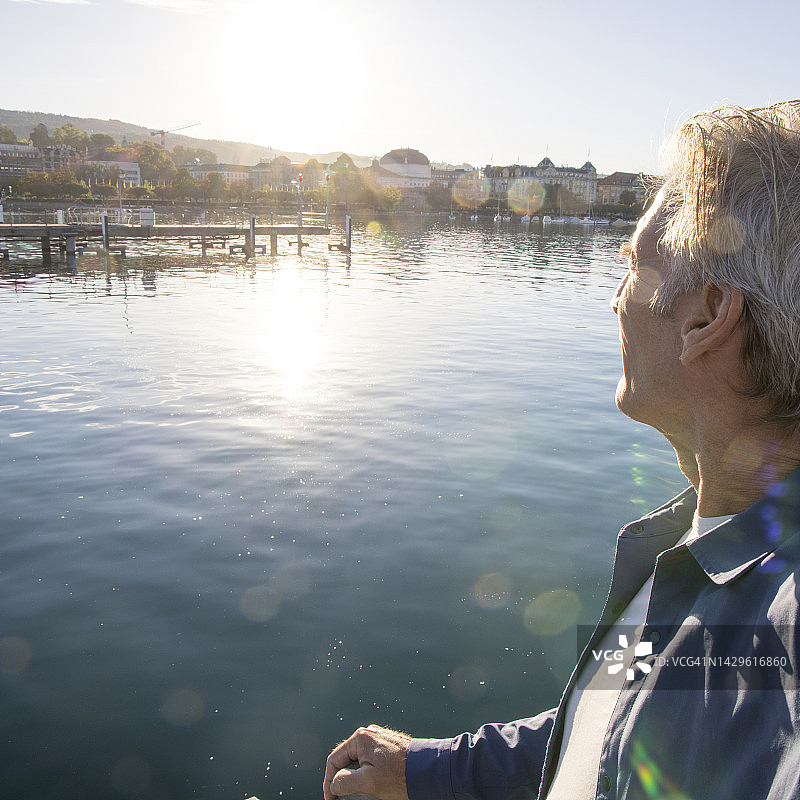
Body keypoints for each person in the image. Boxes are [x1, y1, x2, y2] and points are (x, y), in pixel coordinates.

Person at [323, 101, 800, 800]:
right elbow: (611, 729)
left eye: (634, 265)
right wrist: (425, 770)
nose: (615, 300)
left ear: (705, 316)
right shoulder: (674, 551)